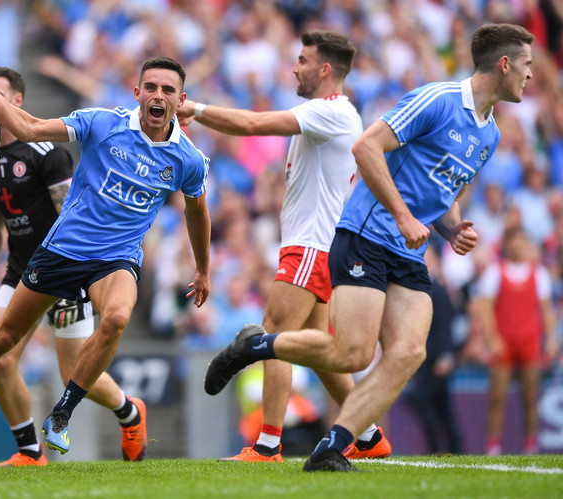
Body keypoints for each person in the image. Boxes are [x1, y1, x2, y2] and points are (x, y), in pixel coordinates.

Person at [204, 23, 535, 472]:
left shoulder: (490, 134)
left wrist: (453, 229)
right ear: (504, 63)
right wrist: (402, 216)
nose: (530, 75)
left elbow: (439, 198)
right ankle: (258, 348)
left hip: (408, 250)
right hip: (366, 234)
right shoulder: (437, 99)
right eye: (527, 64)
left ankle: (334, 446)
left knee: (409, 352)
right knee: (352, 354)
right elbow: (367, 148)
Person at [0, 56, 210, 457]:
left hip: (116, 259)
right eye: (150, 87)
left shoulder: (186, 159)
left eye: (167, 90)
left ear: (180, 99)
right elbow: (31, 128)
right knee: (3, 341)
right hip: (62, 251)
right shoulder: (102, 122)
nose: (158, 95)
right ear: (137, 93)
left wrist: (203, 269)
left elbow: (197, 212)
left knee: (117, 316)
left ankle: (61, 416)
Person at [175, 30, 390, 463]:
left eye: (302, 60)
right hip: (319, 245)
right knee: (317, 347)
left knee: (275, 335)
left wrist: (195, 108)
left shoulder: (331, 111)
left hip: (311, 246)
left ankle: (268, 444)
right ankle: (367, 437)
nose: (294, 67)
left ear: (325, 70)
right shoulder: (335, 114)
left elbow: (254, 126)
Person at [0, 66, 149, 466]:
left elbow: (70, 216)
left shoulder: (46, 154)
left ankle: (130, 412)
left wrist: (74, 282)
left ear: (18, 101)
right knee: (2, 357)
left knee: (72, 374)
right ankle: (29, 451)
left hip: (66, 273)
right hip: (19, 273)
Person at [474, 226, 557, 455]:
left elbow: (546, 310)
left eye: (522, 241)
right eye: (514, 241)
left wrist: (549, 339)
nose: (518, 246)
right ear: (506, 245)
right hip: (504, 342)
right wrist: (492, 339)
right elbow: (486, 308)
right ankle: (493, 446)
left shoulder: (537, 273)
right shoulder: (495, 272)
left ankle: (530, 444)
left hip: (529, 341)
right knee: (497, 397)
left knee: (530, 397)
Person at [404, 245, 462, 455]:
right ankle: (453, 448)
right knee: (443, 408)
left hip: (437, 358)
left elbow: (446, 325)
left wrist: (447, 356)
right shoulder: (423, 288)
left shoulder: (437, 290)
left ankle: (440, 446)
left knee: (418, 398)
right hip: (427, 358)